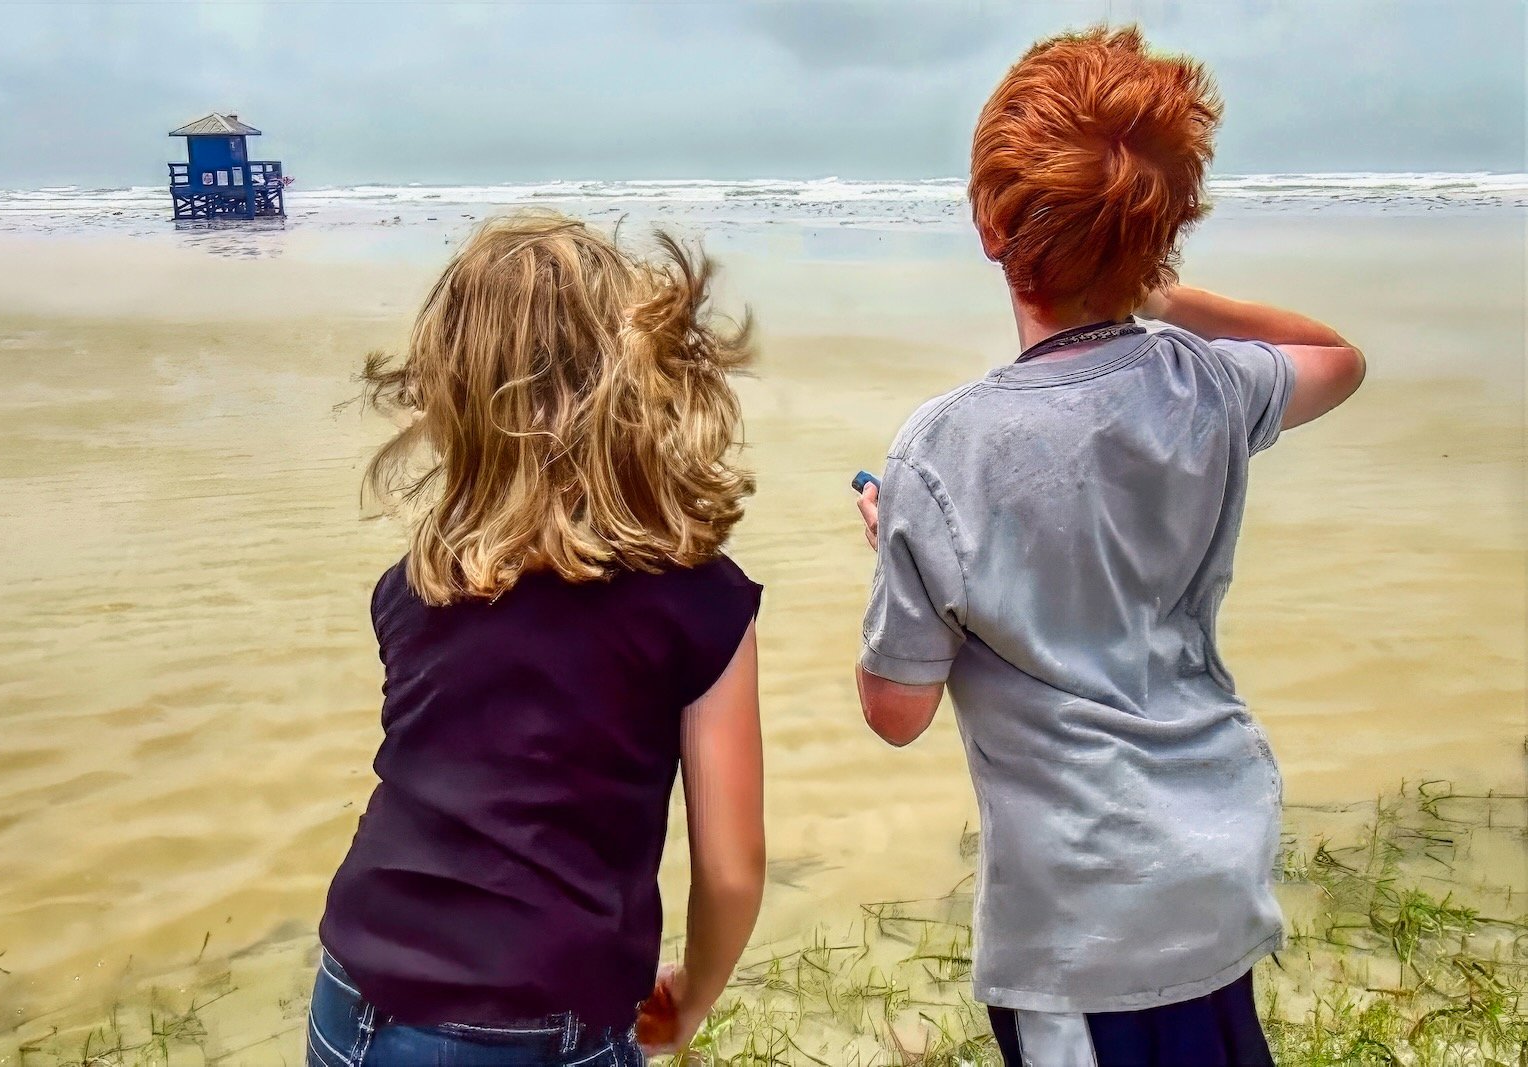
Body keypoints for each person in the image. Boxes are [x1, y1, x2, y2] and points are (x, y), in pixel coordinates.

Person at [853, 27, 1364, 1067]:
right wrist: (1155, 291)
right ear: (1161, 236)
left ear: (989, 225)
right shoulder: (1208, 385)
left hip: (1082, 921)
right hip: (1217, 861)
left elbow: (894, 711)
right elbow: (1336, 358)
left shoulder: (939, 452)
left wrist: (903, 554)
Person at [310, 213, 766, 1066]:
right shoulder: (701, 602)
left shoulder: (416, 585)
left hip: (354, 995)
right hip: (540, 1019)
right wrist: (694, 993)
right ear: (640, 379)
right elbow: (733, 869)